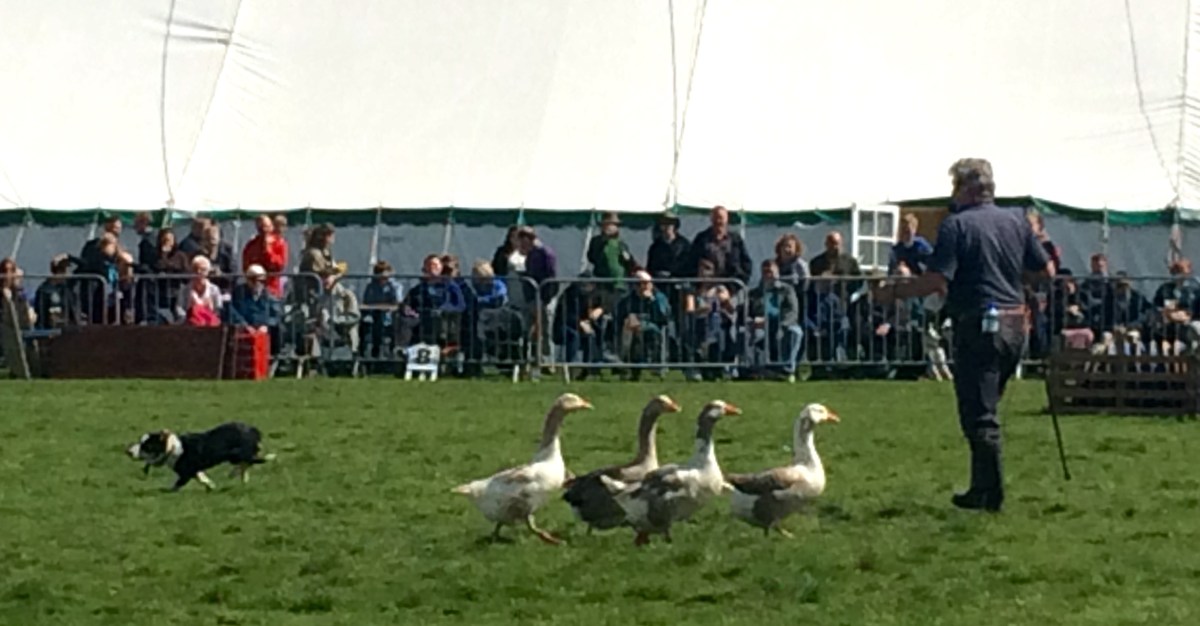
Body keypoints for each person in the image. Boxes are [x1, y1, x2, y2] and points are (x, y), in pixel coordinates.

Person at [872, 158, 1051, 512]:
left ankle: (991, 494)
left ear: (966, 189)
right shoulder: (1017, 220)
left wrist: (893, 292)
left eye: (955, 187)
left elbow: (936, 280)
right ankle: (980, 487)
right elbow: (1045, 270)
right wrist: (1016, 280)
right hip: (1016, 325)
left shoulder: (956, 225)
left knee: (979, 413)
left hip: (979, 324)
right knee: (987, 405)